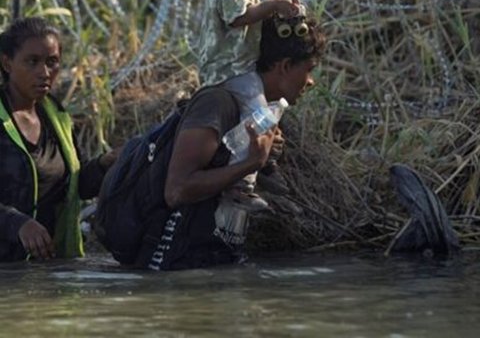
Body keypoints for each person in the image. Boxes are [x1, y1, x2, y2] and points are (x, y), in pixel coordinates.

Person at [143, 16, 326, 271]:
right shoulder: (217, 103)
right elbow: (177, 190)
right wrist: (252, 162)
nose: (310, 81)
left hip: (214, 267)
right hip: (173, 270)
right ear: (284, 66)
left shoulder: (256, 113)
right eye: (308, 70)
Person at [197, 0, 303, 218]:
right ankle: (242, 184)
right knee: (259, 117)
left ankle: (263, 164)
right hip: (229, 69)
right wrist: (272, 5)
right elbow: (236, 17)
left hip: (235, 66)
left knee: (263, 115)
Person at [0, 17, 117, 262]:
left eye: (52, 62)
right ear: (7, 63)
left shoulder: (55, 115)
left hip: (48, 265)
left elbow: (76, 185)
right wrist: (18, 223)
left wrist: (105, 164)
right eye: (32, 62)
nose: (44, 73)